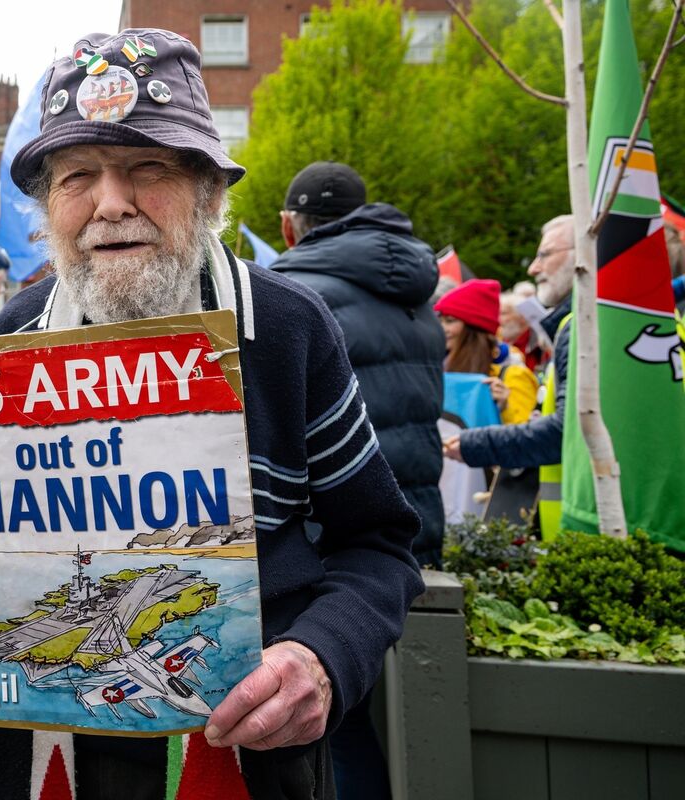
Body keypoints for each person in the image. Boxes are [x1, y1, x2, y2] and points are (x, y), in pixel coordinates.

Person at [0, 28, 423, 800]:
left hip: (244, 758)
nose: (112, 203)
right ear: (48, 208)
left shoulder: (286, 328)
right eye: (78, 176)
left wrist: (321, 657)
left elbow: (380, 546)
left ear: (208, 192)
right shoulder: (14, 335)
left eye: (148, 167)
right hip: (47, 760)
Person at [268, 161, 444, 799]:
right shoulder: (417, 292)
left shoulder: (288, 296)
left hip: (333, 542)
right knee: (375, 708)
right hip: (415, 521)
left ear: (290, 226)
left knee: (332, 723)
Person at [444, 217, 576, 539]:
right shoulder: (441, 370)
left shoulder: (513, 373)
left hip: (517, 514)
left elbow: (549, 434)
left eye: (544, 254)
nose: (533, 267)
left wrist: (501, 413)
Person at [435, 279, 539, 425]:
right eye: (440, 321)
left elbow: (527, 433)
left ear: (474, 328)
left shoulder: (513, 375)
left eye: (450, 321)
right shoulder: (440, 365)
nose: (442, 328)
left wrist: (504, 408)